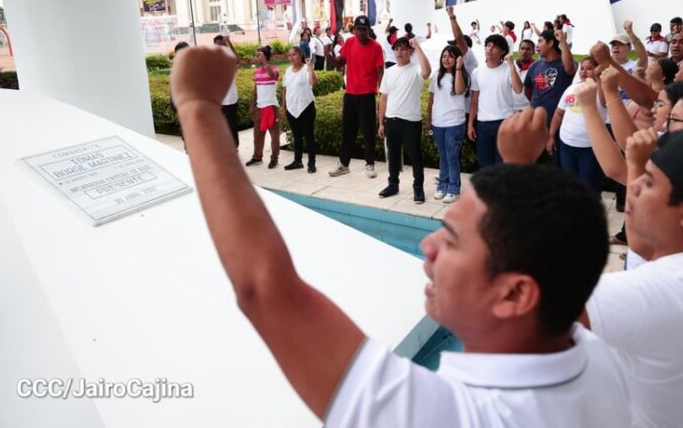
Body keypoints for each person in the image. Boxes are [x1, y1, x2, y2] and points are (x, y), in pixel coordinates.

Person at [169, 47, 631, 425]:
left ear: (515, 293)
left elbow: (265, 290)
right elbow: (539, 250)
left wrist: (196, 105)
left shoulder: (460, 417)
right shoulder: (593, 359)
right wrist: (518, 172)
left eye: (450, 240)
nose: (427, 247)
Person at [582, 128, 683, 428]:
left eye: (648, 182)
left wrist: (514, 169)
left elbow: (513, 314)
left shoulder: (658, 293)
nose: (633, 186)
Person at [325, 15, 384, 178]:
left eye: (364, 30)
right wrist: (328, 55)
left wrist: (383, 95)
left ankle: (370, 164)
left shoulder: (376, 47)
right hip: (350, 95)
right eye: (358, 29)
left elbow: (380, 72)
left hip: (367, 96)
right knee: (347, 132)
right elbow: (339, 63)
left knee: (368, 132)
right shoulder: (350, 43)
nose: (361, 33)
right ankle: (344, 164)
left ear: (368, 30)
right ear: (354, 30)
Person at [377, 37, 431, 203]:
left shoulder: (416, 69)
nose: (399, 52)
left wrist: (418, 46)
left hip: (411, 121)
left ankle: (418, 188)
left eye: (403, 49)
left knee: (415, 156)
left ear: (410, 52)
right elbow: (383, 98)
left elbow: (427, 71)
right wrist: (381, 122)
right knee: (393, 155)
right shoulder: (389, 71)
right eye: (397, 49)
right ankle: (393, 184)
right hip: (391, 120)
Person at [547, 57, 606, 194]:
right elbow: (558, 113)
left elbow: (604, 103)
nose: (584, 71)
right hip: (567, 145)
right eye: (582, 68)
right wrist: (550, 135)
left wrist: (599, 79)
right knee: (570, 185)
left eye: (589, 68)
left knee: (589, 187)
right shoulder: (571, 88)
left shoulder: (601, 90)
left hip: (590, 148)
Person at [468, 35, 522, 168]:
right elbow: (474, 100)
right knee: (484, 164)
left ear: (503, 51)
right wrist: (470, 124)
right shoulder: (477, 72)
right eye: (488, 45)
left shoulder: (508, 69)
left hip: (504, 122)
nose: (489, 49)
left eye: (494, 46)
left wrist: (511, 65)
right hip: (483, 124)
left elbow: (518, 89)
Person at [427, 45, 469, 203]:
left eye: (450, 56)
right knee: (443, 156)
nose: (446, 59)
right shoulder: (437, 75)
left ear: (457, 58)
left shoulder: (463, 75)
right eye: (444, 56)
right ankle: (442, 185)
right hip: (438, 123)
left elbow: (459, 91)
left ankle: (454, 188)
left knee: (452, 157)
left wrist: (458, 68)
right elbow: (431, 99)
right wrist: (429, 119)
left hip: (454, 123)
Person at [523, 29, 577, 125]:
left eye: (540, 41)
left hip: (557, 123)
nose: (537, 45)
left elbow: (569, 68)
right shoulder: (535, 66)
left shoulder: (564, 64)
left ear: (550, 43)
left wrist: (563, 41)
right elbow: (528, 89)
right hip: (535, 121)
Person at [282, 47, 318, 173]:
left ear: (300, 55)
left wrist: (310, 67)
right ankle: (298, 161)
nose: (292, 57)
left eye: (294, 54)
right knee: (296, 136)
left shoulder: (306, 68)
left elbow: (313, 82)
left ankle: (311, 163)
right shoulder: (287, 71)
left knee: (309, 136)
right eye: (289, 55)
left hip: (306, 107)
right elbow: (285, 89)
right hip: (291, 108)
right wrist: (284, 107)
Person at [246, 45, 281, 169]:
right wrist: (253, 105)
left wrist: (265, 63)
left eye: (258, 55)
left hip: (271, 107)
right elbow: (255, 90)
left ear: (265, 56)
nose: (256, 57)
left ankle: (274, 158)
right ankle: (257, 157)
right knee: (257, 135)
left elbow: (272, 76)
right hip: (259, 108)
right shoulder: (256, 72)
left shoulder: (274, 69)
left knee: (274, 136)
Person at [213, 34, 240, 149]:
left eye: (220, 45)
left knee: (231, 124)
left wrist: (229, 43)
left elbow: (237, 59)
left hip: (231, 99)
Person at [512, 39, 536, 112]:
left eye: (528, 49)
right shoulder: (512, 65)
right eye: (522, 48)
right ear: (518, 50)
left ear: (533, 52)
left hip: (526, 109)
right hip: (509, 108)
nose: (524, 51)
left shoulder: (537, 67)